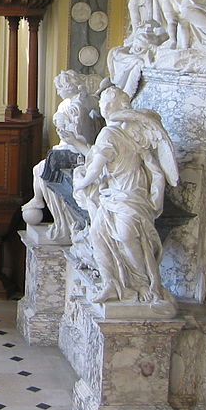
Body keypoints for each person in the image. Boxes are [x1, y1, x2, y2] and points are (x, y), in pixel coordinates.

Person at [72, 87, 178, 312]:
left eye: (102, 103)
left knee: (126, 236)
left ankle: (142, 283)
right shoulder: (113, 134)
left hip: (131, 197)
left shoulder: (117, 135)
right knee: (98, 234)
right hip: (113, 196)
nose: (100, 106)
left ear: (109, 106)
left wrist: (156, 198)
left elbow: (155, 171)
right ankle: (111, 283)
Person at [22, 71, 101, 242]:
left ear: (69, 87)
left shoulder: (77, 106)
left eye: (60, 87)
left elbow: (79, 136)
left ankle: (61, 219)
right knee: (38, 169)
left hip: (77, 153)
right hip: (71, 148)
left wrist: (66, 126)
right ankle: (39, 201)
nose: (57, 91)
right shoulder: (72, 102)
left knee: (41, 169)